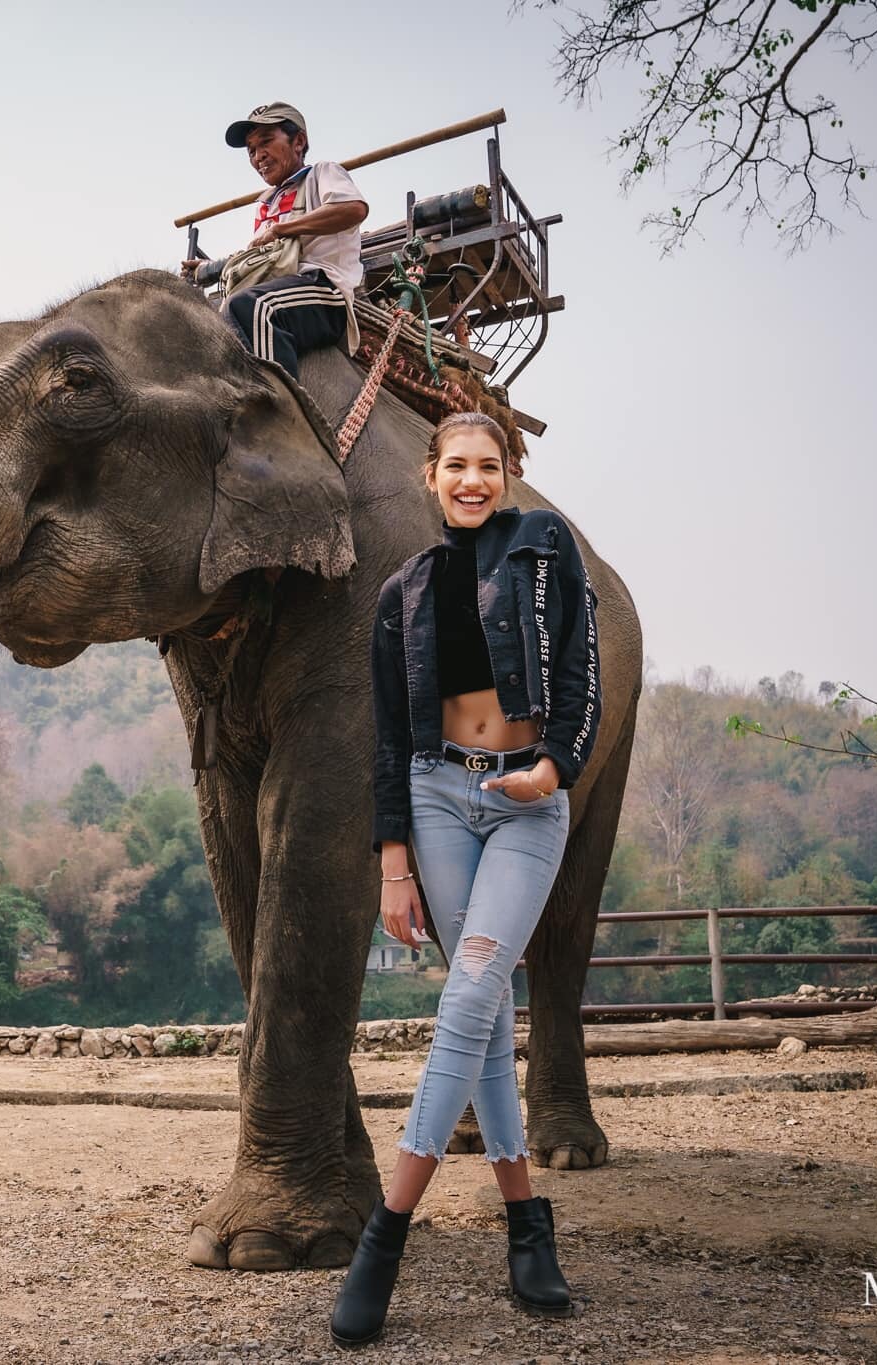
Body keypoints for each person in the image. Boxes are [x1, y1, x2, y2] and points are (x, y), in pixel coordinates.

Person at [331, 412, 602, 1346]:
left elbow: (581, 671)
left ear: (511, 473)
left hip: (525, 799)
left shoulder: (544, 546)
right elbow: (388, 740)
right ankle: (527, 1223)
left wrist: (557, 765)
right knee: (478, 1006)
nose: (474, 480)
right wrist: (392, 862)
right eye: (458, 466)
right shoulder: (405, 590)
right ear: (429, 475)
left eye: (490, 466)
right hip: (438, 794)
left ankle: (387, 1232)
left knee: (476, 981)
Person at [184, 102, 369, 380]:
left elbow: (353, 208)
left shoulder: (322, 173)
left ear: (299, 141)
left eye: (267, 142)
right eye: (251, 150)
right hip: (278, 289)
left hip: (323, 290)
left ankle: (282, 414)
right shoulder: (267, 204)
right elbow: (259, 253)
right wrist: (208, 267)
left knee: (253, 307)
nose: (259, 156)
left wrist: (283, 229)